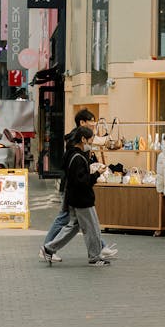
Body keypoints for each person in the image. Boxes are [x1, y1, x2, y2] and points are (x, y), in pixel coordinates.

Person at [41, 109, 117, 262]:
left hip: (74, 197)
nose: (91, 143)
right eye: (90, 140)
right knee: (92, 228)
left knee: (73, 226)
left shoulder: (72, 153)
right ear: (83, 139)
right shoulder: (78, 157)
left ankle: (49, 248)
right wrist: (96, 174)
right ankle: (95, 257)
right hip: (81, 198)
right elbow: (82, 181)